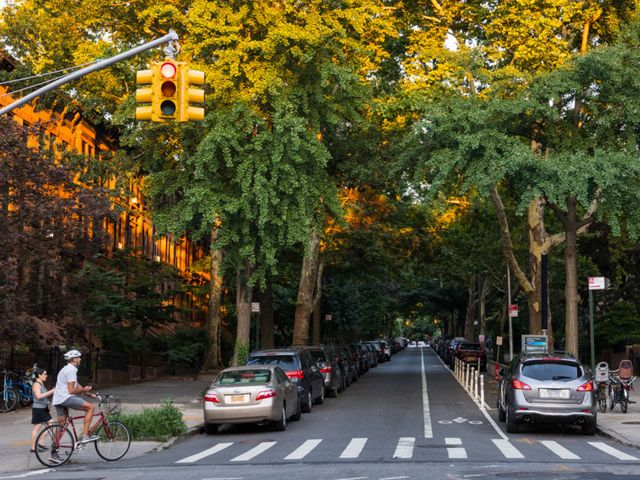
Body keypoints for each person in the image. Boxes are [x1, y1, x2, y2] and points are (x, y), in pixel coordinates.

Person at [52, 350, 98, 448]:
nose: (80, 359)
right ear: (74, 359)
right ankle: (85, 436)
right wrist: (84, 389)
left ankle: (53, 451)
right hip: (66, 398)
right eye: (79, 357)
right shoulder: (71, 370)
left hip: (57, 400)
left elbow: (76, 385)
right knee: (91, 408)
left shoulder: (65, 369)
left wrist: (88, 393)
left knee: (61, 425)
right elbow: (71, 390)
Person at [30, 367, 54, 453]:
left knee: (50, 424)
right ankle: (34, 447)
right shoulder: (37, 384)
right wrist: (51, 391)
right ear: (39, 375)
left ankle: (41, 443)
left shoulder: (41, 383)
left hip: (43, 408)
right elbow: (38, 396)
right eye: (45, 374)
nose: (46, 376)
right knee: (37, 428)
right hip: (38, 409)